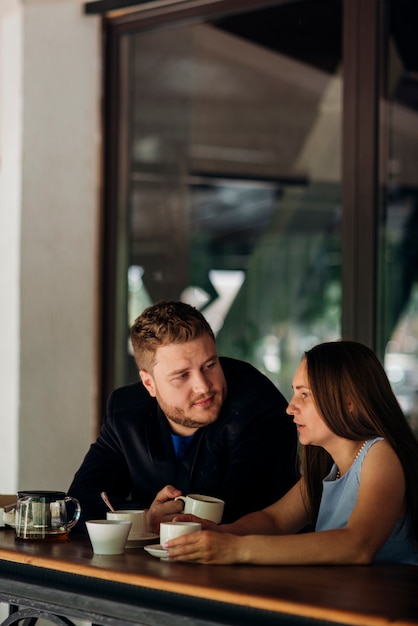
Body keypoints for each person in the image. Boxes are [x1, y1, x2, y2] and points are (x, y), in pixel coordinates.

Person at [165, 340, 418, 565]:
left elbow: (358, 545)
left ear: (348, 402)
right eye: (295, 392)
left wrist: (237, 549)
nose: (290, 408)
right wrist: (221, 533)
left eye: (305, 394)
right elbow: (275, 521)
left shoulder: (379, 455)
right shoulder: (328, 468)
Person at [67, 300, 298, 532]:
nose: (203, 387)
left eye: (210, 365)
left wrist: (147, 521)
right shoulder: (126, 411)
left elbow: (228, 515)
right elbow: (79, 505)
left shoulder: (257, 405)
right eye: (182, 376)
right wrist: (145, 518)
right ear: (149, 383)